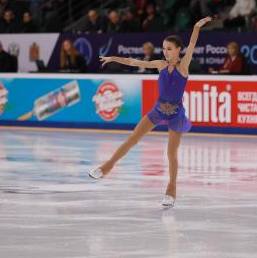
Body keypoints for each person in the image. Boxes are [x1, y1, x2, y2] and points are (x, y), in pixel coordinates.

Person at [89, 17, 212, 208]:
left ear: (179, 50)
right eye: (164, 48)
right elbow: (133, 61)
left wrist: (196, 27)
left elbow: (193, 43)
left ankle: (171, 189)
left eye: (169, 48)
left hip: (176, 114)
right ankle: (107, 166)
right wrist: (114, 58)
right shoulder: (160, 65)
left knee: (171, 153)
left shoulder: (183, 66)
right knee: (131, 140)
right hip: (158, 109)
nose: (165, 52)